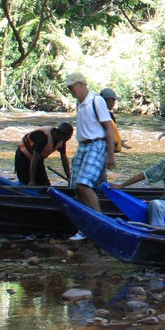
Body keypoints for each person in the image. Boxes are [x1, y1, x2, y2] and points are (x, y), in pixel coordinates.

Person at [64, 72, 117, 240]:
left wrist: (110, 154)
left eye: (72, 87)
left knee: (84, 184)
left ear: (81, 84)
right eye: (69, 88)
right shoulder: (79, 104)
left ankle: (99, 223)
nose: (70, 90)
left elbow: (108, 128)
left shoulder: (96, 100)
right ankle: (86, 227)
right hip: (83, 146)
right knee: (77, 187)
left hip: (97, 144)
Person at [98, 88, 131, 153]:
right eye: (114, 101)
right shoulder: (108, 115)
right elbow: (109, 132)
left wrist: (119, 142)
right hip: (105, 150)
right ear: (110, 100)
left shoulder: (96, 113)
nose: (114, 104)